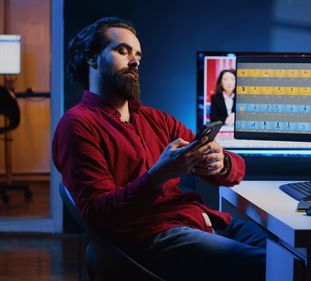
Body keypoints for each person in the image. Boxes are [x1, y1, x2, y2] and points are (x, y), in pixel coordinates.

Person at [52, 17, 271, 281]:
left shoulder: (155, 119)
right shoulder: (77, 125)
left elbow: (235, 169)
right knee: (275, 268)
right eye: (122, 51)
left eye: (138, 56)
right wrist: (159, 175)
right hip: (153, 236)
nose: (134, 61)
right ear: (92, 58)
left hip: (204, 220)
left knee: (297, 257)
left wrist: (219, 161)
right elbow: (98, 215)